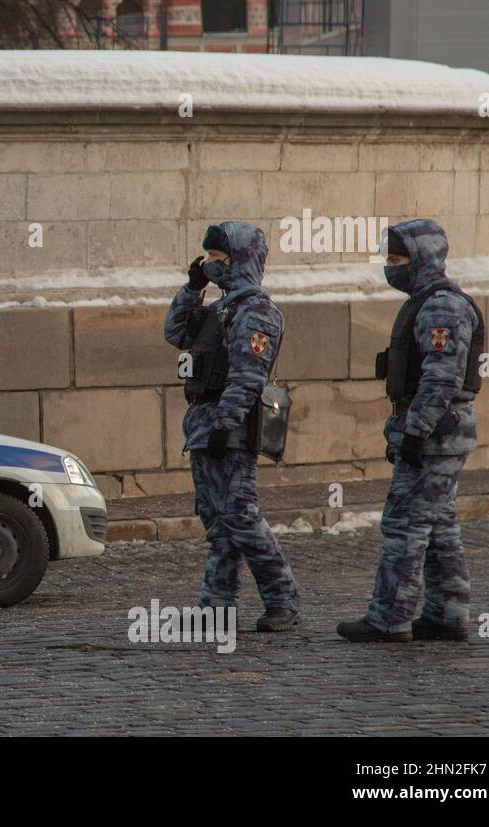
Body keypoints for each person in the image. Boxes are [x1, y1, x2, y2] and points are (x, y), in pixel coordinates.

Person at [338, 219, 483, 643]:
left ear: (421, 259)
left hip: (435, 431)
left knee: (405, 524)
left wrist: (415, 432)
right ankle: (447, 613)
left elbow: (442, 376)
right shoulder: (430, 300)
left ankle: (389, 618)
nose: (391, 266)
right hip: (439, 428)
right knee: (438, 525)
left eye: (398, 258)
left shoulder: (440, 306)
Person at [164, 221, 302, 632]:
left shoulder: (256, 311)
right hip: (204, 425)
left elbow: (247, 376)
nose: (209, 264)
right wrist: (191, 289)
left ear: (240, 261)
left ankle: (283, 599)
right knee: (217, 523)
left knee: (241, 517)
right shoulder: (218, 310)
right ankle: (215, 608)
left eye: (217, 258)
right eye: (206, 258)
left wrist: (225, 425)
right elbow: (174, 332)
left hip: (231, 429)